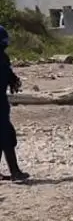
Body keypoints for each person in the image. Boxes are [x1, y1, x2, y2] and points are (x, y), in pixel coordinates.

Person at [0, 25, 29, 182]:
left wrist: (13, 81)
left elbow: (8, 73)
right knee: (7, 136)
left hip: (2, 101)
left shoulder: (3, 57)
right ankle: (15, 172)